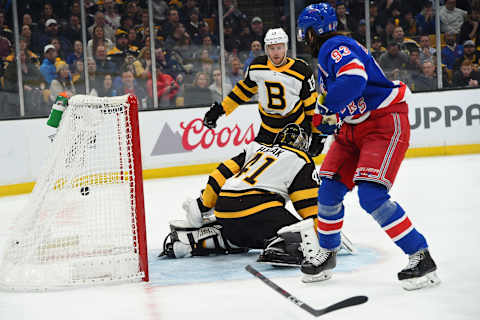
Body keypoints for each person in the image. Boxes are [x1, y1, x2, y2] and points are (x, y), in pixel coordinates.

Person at [294, 3, 440, 290]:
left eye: (305, 33)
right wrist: (323, 127)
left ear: (313, 32)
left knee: (371, 196)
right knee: (328, 189)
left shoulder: (334, 45)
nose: (304, 39)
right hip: (353, 128)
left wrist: (323, 107)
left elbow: (354, 80)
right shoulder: (331, 52)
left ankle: (420, 256)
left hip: (382, 123)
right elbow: (343, 100)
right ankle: (328, 253)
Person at [161, 123, 320, 265]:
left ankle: (196, 240)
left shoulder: (256, 148)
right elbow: (308, 206)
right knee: (306, 233)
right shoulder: (301, 158)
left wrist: (204, 204)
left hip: (224, 209)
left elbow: (219, 174)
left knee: (243, 230)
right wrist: (322, 232)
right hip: (258, 209)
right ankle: (280, 246)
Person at [202, 27, 323, 155]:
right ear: (266, 49)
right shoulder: (257, 67)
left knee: (289, 169)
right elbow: (242, 92)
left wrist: (317, 135)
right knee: (257, 167)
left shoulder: (301, 70)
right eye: (272, 48)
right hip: (267, 129)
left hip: (295, 128)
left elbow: (310, 105)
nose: (276, 52)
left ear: (286, 48)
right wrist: (220, 110)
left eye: (279, 47)